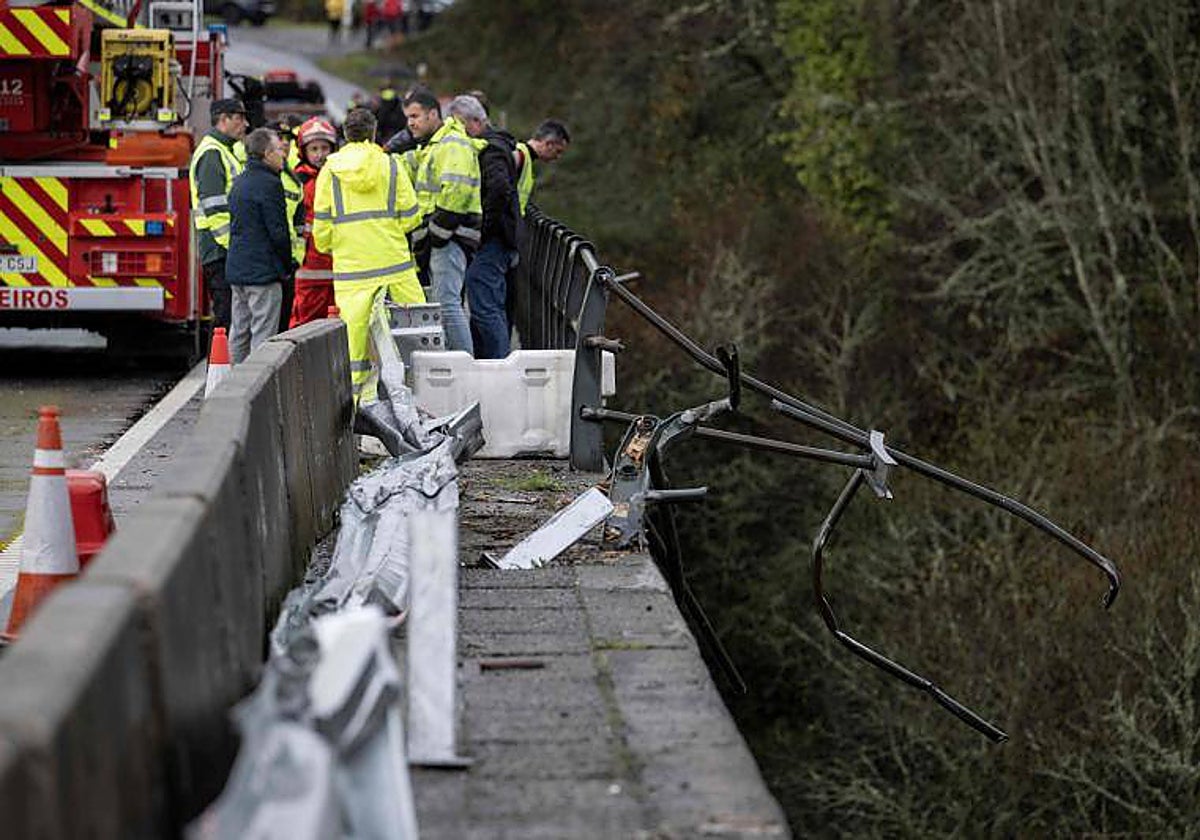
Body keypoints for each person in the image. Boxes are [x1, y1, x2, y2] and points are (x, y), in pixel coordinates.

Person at [313, 108, 425, 404]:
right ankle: (417, 399)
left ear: (345, 134)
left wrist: (331, 245)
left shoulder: (330, 171)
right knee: (413, 333)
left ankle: (358, 406)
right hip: (394, 264)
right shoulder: (390, 165)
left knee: (354, 342)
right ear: (374, 132)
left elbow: (322, 223)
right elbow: (411, 216)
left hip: (353, 270)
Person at [403, 87, 486, 354]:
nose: (410, 123)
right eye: (407, 118)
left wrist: (436, 234)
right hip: (448, 235)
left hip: (450, 236)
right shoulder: (436, 145)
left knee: (447, 305)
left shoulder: (451, 144)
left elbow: (456, 191)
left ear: (432, 114)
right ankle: (459, 366)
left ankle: (463, 369)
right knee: (445, 303)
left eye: (415, 116)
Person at [452, 95, 520, 359]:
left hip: (494, 238)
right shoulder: (500, 145)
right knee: (489, 303)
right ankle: (487, 360)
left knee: (484, 305)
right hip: (503, 236)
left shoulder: (490, 150)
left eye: (460, 125)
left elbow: (499, 189)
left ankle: (497, 366)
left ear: (476, 122)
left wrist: (484, 227)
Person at [226, 129, 293, 363]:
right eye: (279, 150)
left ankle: (230, 385)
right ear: (266, 153)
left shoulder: (240, 181)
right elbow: (278, 233)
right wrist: (286, 266)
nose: (283, 155)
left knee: (239, 332)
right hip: (263, 272)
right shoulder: (270, 184)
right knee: (263, 335)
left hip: (238, 270)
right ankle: (255, 393)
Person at [189, 98, 248, 332]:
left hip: (223, 248)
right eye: (239, 118)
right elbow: (215, 207)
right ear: (223, 119)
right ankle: (218, 368)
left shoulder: (224, 150)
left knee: (230, 315)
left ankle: (222, 367)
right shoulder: (212, 153)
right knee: (225, 316)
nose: (245, 123)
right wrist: (232, 245)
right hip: (219, 248)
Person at [289, 117, 338, 327]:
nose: (320, 154)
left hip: (338, 264)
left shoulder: (341, 176)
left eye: (324, 148)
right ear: (304, 152)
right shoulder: (298, 181)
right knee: (304, 324)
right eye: (314, 149)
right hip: (309, 267)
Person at [515, 119, 571, 215]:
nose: (558, 157)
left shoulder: (525, 158)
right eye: (558, 151)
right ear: (548, 144)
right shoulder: (519, 156)